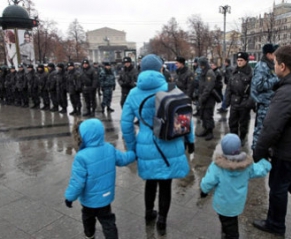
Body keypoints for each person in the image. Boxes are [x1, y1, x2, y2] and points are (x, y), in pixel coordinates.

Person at [120, 54, 194, 236]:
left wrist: (132, 147)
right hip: (170, 142)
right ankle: (162, 221)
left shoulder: (134, 93)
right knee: (166, 184)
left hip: (146, 143)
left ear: (142, 69)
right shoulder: (170, 88)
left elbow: (125, 124)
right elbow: (184, 116)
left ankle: (148, 213)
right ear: (161, 68)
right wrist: (190, 140)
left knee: (150, 182)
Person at [252, 45, 291, 236]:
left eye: (275, 64)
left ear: (283, 66)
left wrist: (258, 152)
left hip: (288, 150)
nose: (274, 67)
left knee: (278, 187)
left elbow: (270, 128)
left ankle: (275, 224)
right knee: (289, 180)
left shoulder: (287, 92)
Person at [64, 118, 136, 239]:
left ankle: (90, 234)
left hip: (89, 201)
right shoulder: (109, 148)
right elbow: (123, 159)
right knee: (108, 221)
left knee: (88, 218)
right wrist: (134, 153)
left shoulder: (81, 157)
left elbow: (77, 182)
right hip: (106, 198)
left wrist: (70, 197)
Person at [200, 133, 271, 239]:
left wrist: (204, 191)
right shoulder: (247, 166)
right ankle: (227, 233)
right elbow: (260, 170)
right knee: (231, 220)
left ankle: (230, 235)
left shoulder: (217, 166)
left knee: (229, 226)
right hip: (237, 204)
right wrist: (266, 162)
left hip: (222, 204)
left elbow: (208, 181)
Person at [250, 44, 279, 151]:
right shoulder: (262, 66)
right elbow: (259, 86)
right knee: (260, 129)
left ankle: (265, 149)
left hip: (270, 102)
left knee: (268, 128)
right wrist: (276, 79)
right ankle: (256, 150)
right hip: (264, 102)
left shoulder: (270, 65)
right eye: (274, 54)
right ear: (268, 54)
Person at [225, 52, 254, 146]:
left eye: (241, 60)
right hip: (234, 101)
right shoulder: (234, 71)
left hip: (244, 101)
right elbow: (229, 87)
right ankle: (234, 138)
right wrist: (227, 100)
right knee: (232, 121)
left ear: (246, 61)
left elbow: (253, 89)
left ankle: (242, 138)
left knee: (243, 123)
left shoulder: (250, 73)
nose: (239, 62)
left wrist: (249, 102)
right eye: (238, 60)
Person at [195, 56, 217, 141]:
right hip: (203, 97)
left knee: (208, 115)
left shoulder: (209, 72)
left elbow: (208, 87)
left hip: (209, 98)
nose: (200, 66)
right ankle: (205, 129)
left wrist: (202, 98)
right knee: (203, 115)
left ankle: (210, 132)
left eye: (201, 64)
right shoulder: (203, 71)